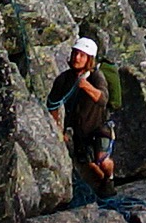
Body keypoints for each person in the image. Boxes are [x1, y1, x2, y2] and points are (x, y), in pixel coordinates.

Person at [46, 36, 114, 207]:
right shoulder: (64, 80)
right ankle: (103, 183)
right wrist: (58, 130)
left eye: (82, 55)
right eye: (75, 54)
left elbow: (103, 99)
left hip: (99, 128)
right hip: (79, 132)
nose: (77, 58)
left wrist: (86, 87)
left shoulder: (96, 77)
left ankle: (110, 178)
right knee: (89, 166)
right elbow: (52, 104)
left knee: (102, 160)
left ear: (89, 59)